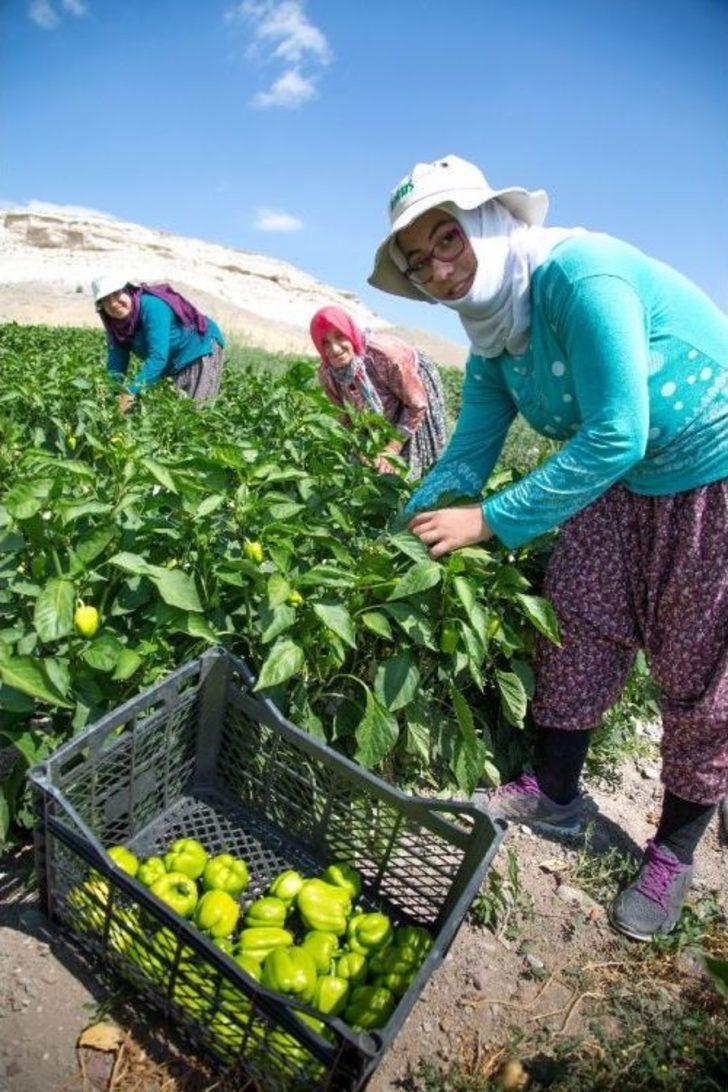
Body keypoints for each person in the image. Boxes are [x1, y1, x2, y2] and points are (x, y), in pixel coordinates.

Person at [368, 154, 728, 941]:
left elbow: (618, 430)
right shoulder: (496, 337)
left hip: (713, 473)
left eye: (447, 240)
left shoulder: (579, 277)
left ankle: (673, 850)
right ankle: (556, 791)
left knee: (700, 667)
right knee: (576, 619)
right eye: (419, 262)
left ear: (491, 224)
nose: (439, 269)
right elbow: (467, 455)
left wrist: (489, 522)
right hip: (623, 479)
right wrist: (393, 529)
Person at [309, 305, 447, 479]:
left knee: (411, 469)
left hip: (411, 385)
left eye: (340, 336)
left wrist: (392, 448)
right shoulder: (327, 373)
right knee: (361, 463)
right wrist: (358, 447)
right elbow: (345, 417)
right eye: (325, 343)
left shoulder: (386, 356)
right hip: (378, 401)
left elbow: (417, 405)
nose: (335, 349)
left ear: (350, 333)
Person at [91, 276, 225, 414]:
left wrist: (130, 394)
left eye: (116, 294)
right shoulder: (116, 328)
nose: (113, 303)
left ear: (128, 290)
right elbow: (116, 368)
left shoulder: (152, 306)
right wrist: (110, 400)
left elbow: (158, 357)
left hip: (200, 347)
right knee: (177, 413)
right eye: (106, 300)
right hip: (174, 363)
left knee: (197, 413)